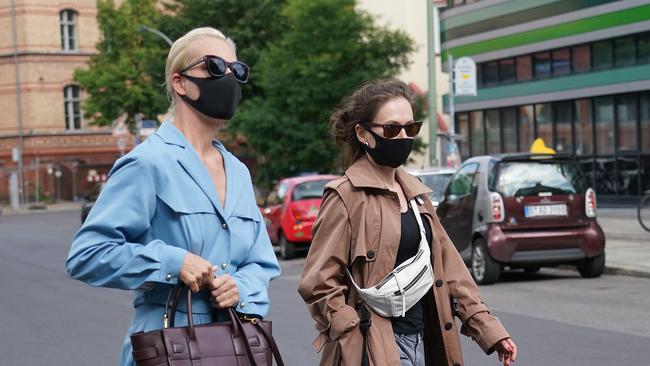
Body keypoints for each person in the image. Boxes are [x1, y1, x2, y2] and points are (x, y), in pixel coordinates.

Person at [66, 27, 280, 366]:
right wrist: (171, 262)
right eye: (213, 67)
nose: (227, 77)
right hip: (169, 347)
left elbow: (261, 262)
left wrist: (242, 288)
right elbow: (87, 255)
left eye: (235, 70)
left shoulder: (238, 171)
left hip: (236, 345)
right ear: (179, 83)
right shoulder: (147, 163)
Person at [298, 79, 517, 366]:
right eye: (391, 129)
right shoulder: (346, 196)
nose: (402, 137)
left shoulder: (417, 194)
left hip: (427, 340)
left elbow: (451, 270)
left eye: (410, 128)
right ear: (363, 134)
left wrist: (489, 330)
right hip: (376, 346)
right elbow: (318, 282)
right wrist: (351, 331)